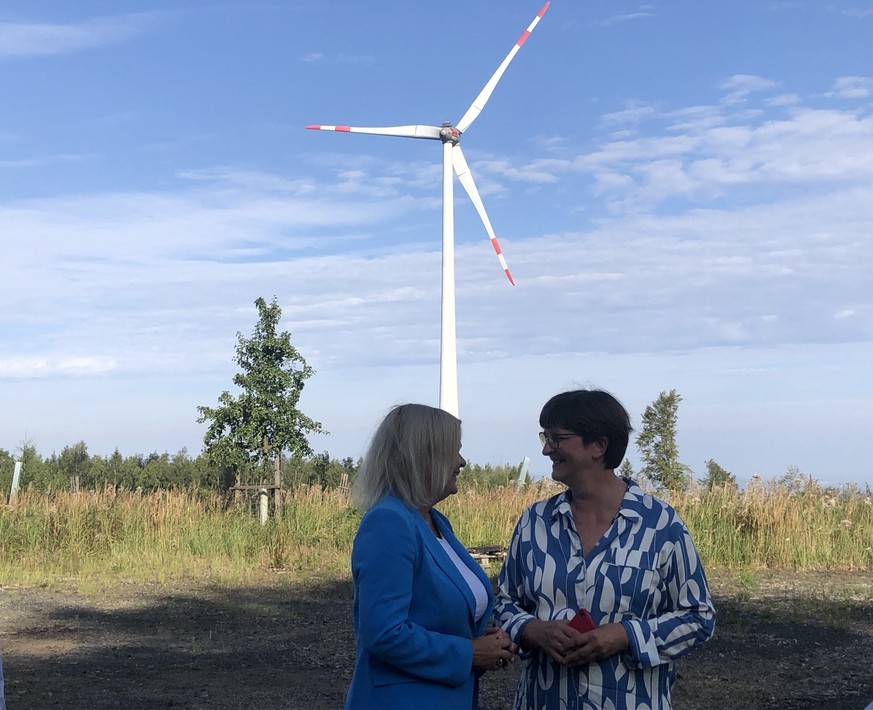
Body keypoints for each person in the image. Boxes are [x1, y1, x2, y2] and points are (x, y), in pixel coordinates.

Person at [494, 389, 715, 709]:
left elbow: (698, 616)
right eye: (545, 436)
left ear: (599, 445)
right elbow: (504, 603)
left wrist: (625, 636)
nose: (545, 449)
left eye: (556, 438)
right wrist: (533, 630)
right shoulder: (534, 521)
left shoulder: (661, 525)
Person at [344, 403, 516, 709]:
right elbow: (384, 632)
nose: (462, 461)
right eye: (454, 451)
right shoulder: (389, 522)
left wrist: (486, 641)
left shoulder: (435, 521)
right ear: (423, 457)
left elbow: (436, 614)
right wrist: (470, 652)